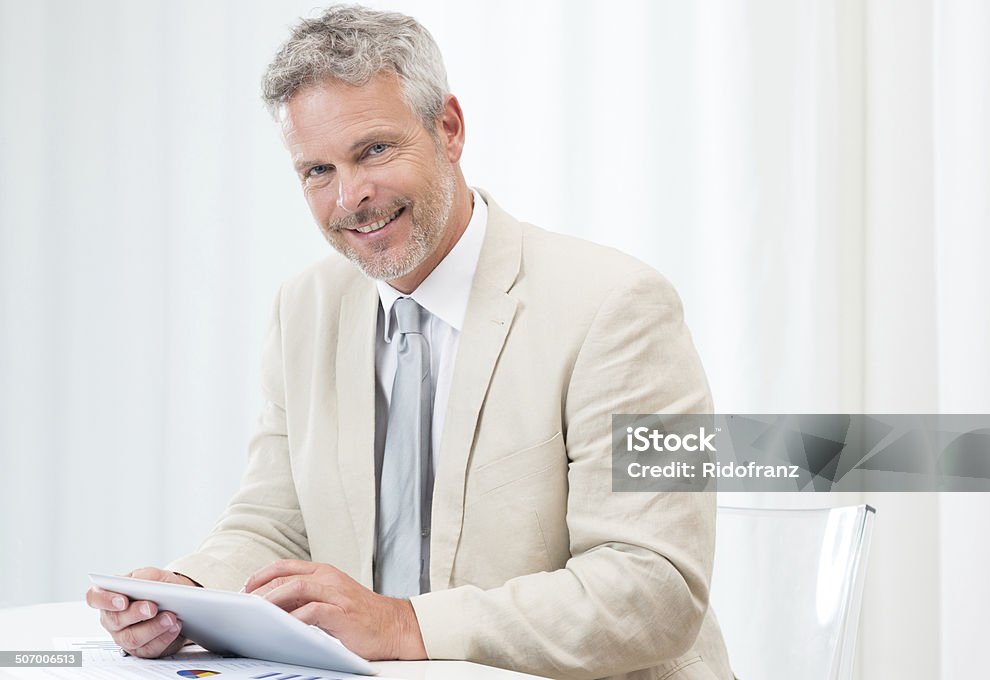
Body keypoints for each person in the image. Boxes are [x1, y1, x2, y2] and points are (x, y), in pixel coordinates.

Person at [85, 6, 733, 679]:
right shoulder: (304, 309)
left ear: (447, 128)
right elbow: (275, 523)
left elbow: (653, 587)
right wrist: (183, 598)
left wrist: (403, 625)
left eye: (374, 150)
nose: (350, 198)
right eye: (317, 171)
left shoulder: (619, 306)